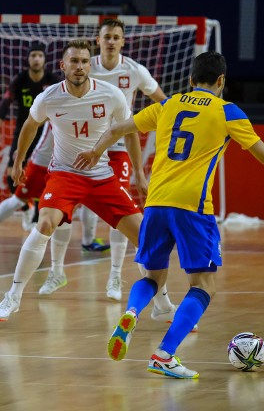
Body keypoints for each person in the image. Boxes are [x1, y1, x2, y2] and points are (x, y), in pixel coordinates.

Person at [74, 51, 264, 378]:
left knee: (152, 277)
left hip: (155, 202)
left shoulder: (167, 105)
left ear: (191, 80)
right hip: (193, 207)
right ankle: (164, 354)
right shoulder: (228, 112)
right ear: (221, 81)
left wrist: (95, 152)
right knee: (204, 285)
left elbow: (119, 129)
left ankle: (132, 312)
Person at [0, 39, 174, 322]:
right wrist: (18, 161)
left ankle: (162, 304)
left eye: (85, 61)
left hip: (102, 177)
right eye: (74, 61)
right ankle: (13, 296)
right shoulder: (49, 97)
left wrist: (138, 172)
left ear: (91, 65)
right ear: (63, 65)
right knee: (45, 223)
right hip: (64, 174)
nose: (80, 67)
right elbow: (30, 125)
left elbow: (130, 131)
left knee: (145, 237)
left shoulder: (112, 95)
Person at [40, 18, 170, 308]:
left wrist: (180, 120)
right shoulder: (83, 64)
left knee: (120, 208)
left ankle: (114, 276)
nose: (111, 41)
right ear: (98, 40)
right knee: (61, 210)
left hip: (118, 146)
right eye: (106, 37)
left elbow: (163, 102)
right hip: (80, 146)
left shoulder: (135, 71)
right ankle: (56, 271)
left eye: (116, 37)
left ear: (123, 42)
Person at [0, 42, 62, 250]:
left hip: (52, 144)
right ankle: (23, 210)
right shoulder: (20, 81)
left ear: (45, 59)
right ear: (28, 59)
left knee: (53, 196)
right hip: (25, 134)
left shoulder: (55, 83)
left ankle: (60, 241)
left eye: (40, 55)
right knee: (14, 178)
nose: (36, 59)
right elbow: (4, 105)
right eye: (33, 56)